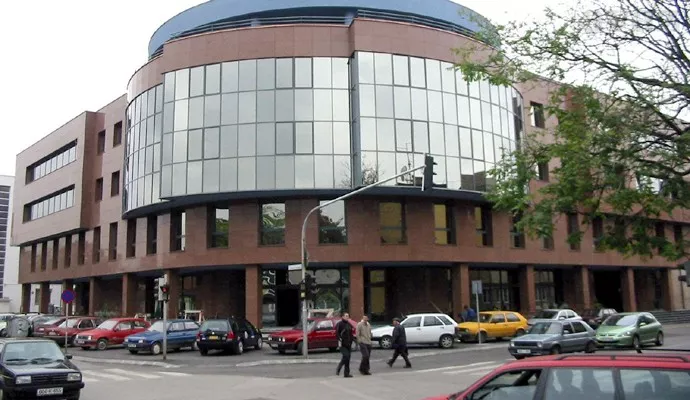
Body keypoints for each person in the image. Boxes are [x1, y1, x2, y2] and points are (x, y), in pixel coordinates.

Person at [335, 312, 354, 378]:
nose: (347, 317)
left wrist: (352, 340)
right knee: (346, 356)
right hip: (342, 344)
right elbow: (337, 333)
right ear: (342, 317)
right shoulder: (340, 324)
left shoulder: (349, 324)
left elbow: (351, 333)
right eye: (346, 316)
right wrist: (340, 339)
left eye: (348, 316)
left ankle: (346, 373)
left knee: (348, 359)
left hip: (349, 344)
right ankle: (339, 367)